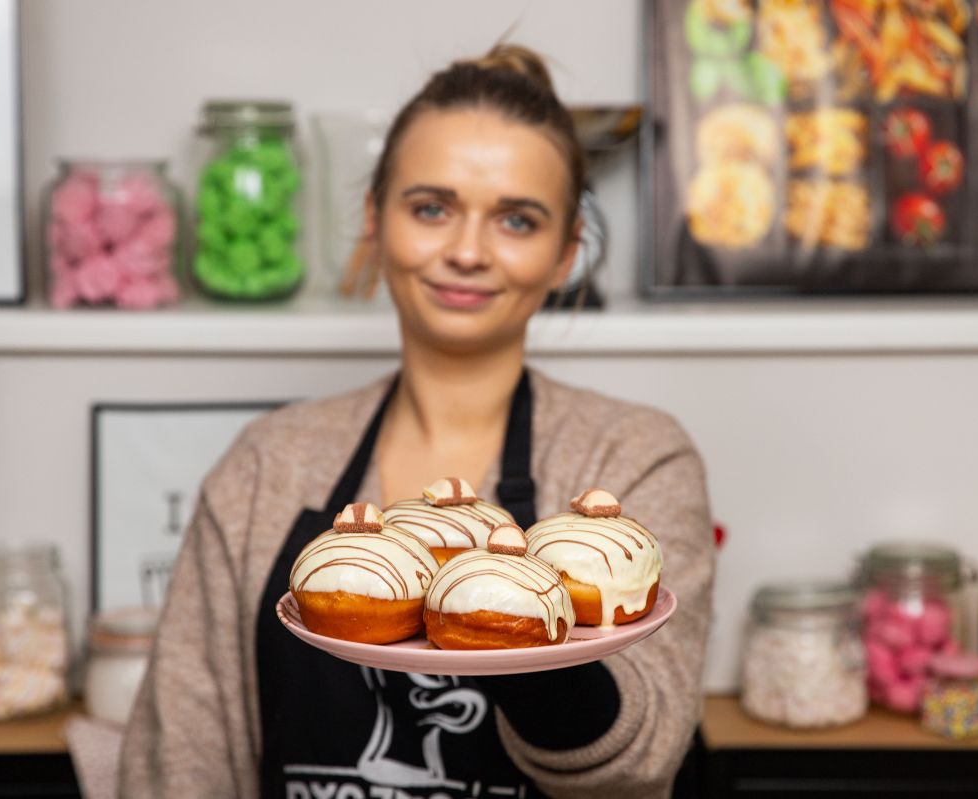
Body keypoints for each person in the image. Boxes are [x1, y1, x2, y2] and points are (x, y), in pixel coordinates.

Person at [119, 44, 715, 799]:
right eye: (431, 207)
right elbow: (180, 761)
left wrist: (508, 625)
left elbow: (641, 760)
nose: (466, 251)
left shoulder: (634, 457)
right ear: (375, 219)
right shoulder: (269, 464)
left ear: (568, 254)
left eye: (517, 220)